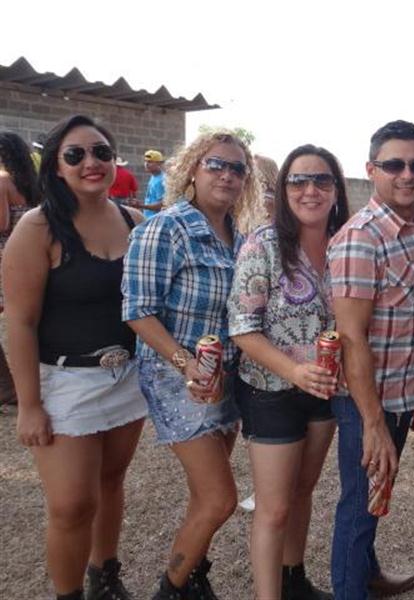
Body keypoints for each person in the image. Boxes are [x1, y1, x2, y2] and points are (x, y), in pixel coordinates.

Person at [3, 115, 147, 600]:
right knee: (71, 505)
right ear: (56, 166)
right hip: (63, 382)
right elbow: (20, 323)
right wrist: (29, 405)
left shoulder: (135, 223)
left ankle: (105, 578)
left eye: (102, 152)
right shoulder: (37, 227)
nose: (91, 162)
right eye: (75, 154)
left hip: (127, 376)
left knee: (111, 483)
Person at [122, 130, 259, 599]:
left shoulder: (239, 236)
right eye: (215, 164)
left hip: (224, 377)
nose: (226, 174)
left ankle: (195, 579)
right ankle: (170, 590)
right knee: (220, 498)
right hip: (176, 377)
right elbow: (138, 310)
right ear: (192, 170)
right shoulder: (166, 228)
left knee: (206, 495)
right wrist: (185, 365)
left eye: (237, 168)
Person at [228, 144, 350, 600]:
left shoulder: (346, 244)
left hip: (325, 390)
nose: (310, 190)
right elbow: (242, 328)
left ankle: (294, 580)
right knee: (274, 508)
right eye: (298, 181)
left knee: (303, 491)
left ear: (336, 190)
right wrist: (295, 371)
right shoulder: (262, 245)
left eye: (321, 180)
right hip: (270, 390)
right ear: (283, 190)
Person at [327, 120, 414, 600]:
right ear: (372, 170)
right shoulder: (362, 238)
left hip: (401, 394)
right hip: (367, 401)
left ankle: (368, 573)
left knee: (374, 495)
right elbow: (351, 337)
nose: (407, 174)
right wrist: (371, 422)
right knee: (358, 507)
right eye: (394, 165)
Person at [1, 131, 40, 406]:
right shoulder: (32, 182)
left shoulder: (2, 181)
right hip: (32, 255)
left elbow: (1, 224)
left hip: (6, 257)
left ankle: (7, 388)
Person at [136, 149, 166, 218]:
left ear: (159, 163)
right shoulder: (154, 176)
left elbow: (161, 205)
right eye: (145, 161)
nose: (146, 164)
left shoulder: (161, 180)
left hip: (155, 219)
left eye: (150, 162)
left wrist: (141, 205)